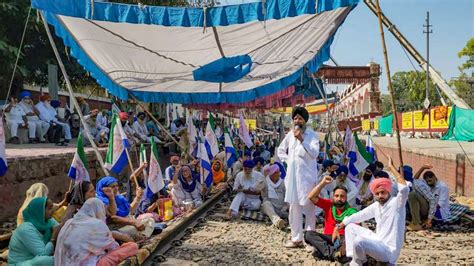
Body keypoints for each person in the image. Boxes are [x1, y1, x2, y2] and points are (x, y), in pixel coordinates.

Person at [334, 158, 409, 265]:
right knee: (350, 227)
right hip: (378, 242)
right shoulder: (376, 205)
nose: (380, 196)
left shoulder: (397, 203)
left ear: (388, 191)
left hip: (388, 251)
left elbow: (404, 189)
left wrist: (391, 167)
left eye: (382, 192)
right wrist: (341, 224)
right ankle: (354, 259)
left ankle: (359, 262)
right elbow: (360, 215)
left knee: (359, 241)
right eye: (377, 194)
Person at [277, 107, 320, 248]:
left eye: (300, 118)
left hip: (307, 179)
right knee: (294, 208)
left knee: (309, 208)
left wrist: (301, 139)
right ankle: (296, 239)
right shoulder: (290, 135)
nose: (297, 120)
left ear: (305, 121)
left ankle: (310, 241)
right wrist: (287, 161)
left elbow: (314, 153)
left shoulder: (312, 135)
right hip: (293, 179)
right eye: (295, 118)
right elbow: (280, 150)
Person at [54, 198, 139, 266]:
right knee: (133, 246)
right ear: (99, 210)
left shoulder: (69, 222)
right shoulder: (96, 224)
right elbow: (114, 248)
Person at [305, 176, 358, 262]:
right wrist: (322, 183)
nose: (339, 199)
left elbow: (356, 229)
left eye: (342, 196)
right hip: (328, 237)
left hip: (342, 239)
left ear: (346, 198)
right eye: (336, 196)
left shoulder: (351, 211)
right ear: (333, 197)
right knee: (308, 234)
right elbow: (312, 197)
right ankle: (333, 254)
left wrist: (338, 229)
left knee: (347, 246)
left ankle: (326, 253)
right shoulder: (329, 205)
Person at [8, 197, 58, 266]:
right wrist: (54, 236)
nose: (52, 211)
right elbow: (43, 253)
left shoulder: (49, 221)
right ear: (39, 211)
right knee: (47, 261)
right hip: (22, 263)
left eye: (52, 208)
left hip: (37, 257)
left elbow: (61, 230)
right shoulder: (26, 229)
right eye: (49, 208)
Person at [407, 164, 451, 230]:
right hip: (429, 208)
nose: (428, 181)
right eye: (426, 180)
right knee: (412, 194)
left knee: (413, 195)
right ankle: (417, 221)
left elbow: (438, 204)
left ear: (434, 177)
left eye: (430, 179)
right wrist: (422, 168)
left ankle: (417, 223)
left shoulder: (442, 186)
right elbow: (414, 180)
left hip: (439, 211)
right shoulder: (426, 184)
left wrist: (429, 218)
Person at [261, 164, 287, 229]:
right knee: (266, 204)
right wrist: (263, 177)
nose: (278, 174)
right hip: (270, 208)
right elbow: (256, 189)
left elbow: (287, 196)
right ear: (271, 174)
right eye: (275, 172)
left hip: (282, 209)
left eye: (278, 172)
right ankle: (277, 221)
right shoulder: (265, 181)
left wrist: (285, 207)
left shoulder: (283, 182)